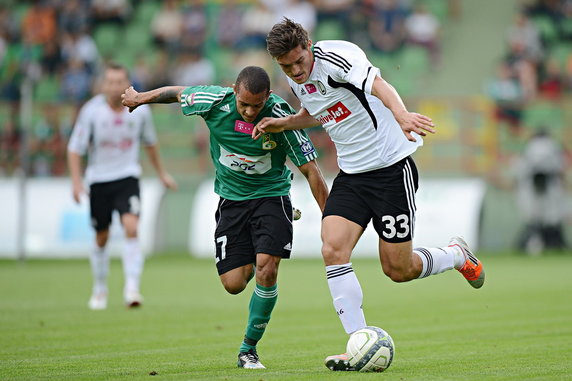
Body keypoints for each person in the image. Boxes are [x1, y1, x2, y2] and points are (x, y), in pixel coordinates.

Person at [254, 18, 486, 371]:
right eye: (287, 67)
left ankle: (455, 255)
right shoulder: (294, 77)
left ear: (309, 45)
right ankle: (357, 343)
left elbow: (379, 85)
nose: (296, 71)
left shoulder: (338, 58)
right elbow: (318, 112)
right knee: (332, 247)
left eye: (299, 62)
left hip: (391, 169)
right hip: (352, 176)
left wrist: (401, 114)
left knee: (398, 269)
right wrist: (284, 123)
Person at [121, 66, 329, 369]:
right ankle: (265, 236)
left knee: (266, 269)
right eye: (243, 103)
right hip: (232, 201)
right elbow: (176, 93)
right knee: (233, 283)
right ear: (233, 91)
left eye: (256, 106)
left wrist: (330, 218)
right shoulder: (214, 101)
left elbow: (311, 170)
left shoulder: (281, 118)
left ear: (267, 98)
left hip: (271, 195)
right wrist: (140, 98)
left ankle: (248, 349)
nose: (248, 111)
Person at [67, 63, 177, 310]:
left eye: (120, 81)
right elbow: (75, 148)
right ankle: (100, 288)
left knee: (131, 226)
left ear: (127, 83)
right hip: (99, 181)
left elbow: (150, 143)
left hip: (127, 178)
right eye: (110, 81)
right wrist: (76, 182)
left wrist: (162, 174)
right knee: (101, 236)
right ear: (103, 85)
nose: (115, 86)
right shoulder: (91, 112)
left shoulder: (140, 111)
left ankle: (132, 288)